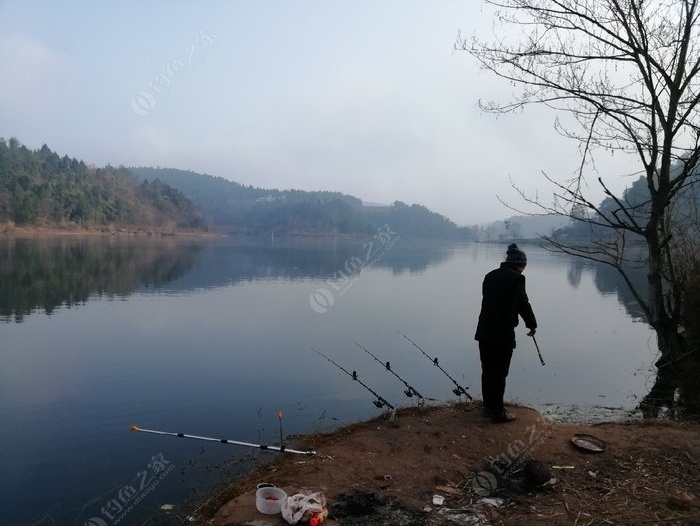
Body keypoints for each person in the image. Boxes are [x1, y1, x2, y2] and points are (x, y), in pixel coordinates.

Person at [475, 243, 537, 423]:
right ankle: (498, 412)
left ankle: (488, 407)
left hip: (484, 331)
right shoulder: (517, 278)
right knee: (500, 373)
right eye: (524, 265)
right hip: (502, 333)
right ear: (520, 264)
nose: (524, 268)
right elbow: (522, 303)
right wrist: (532, 324)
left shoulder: (489, 276)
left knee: (487, 370)